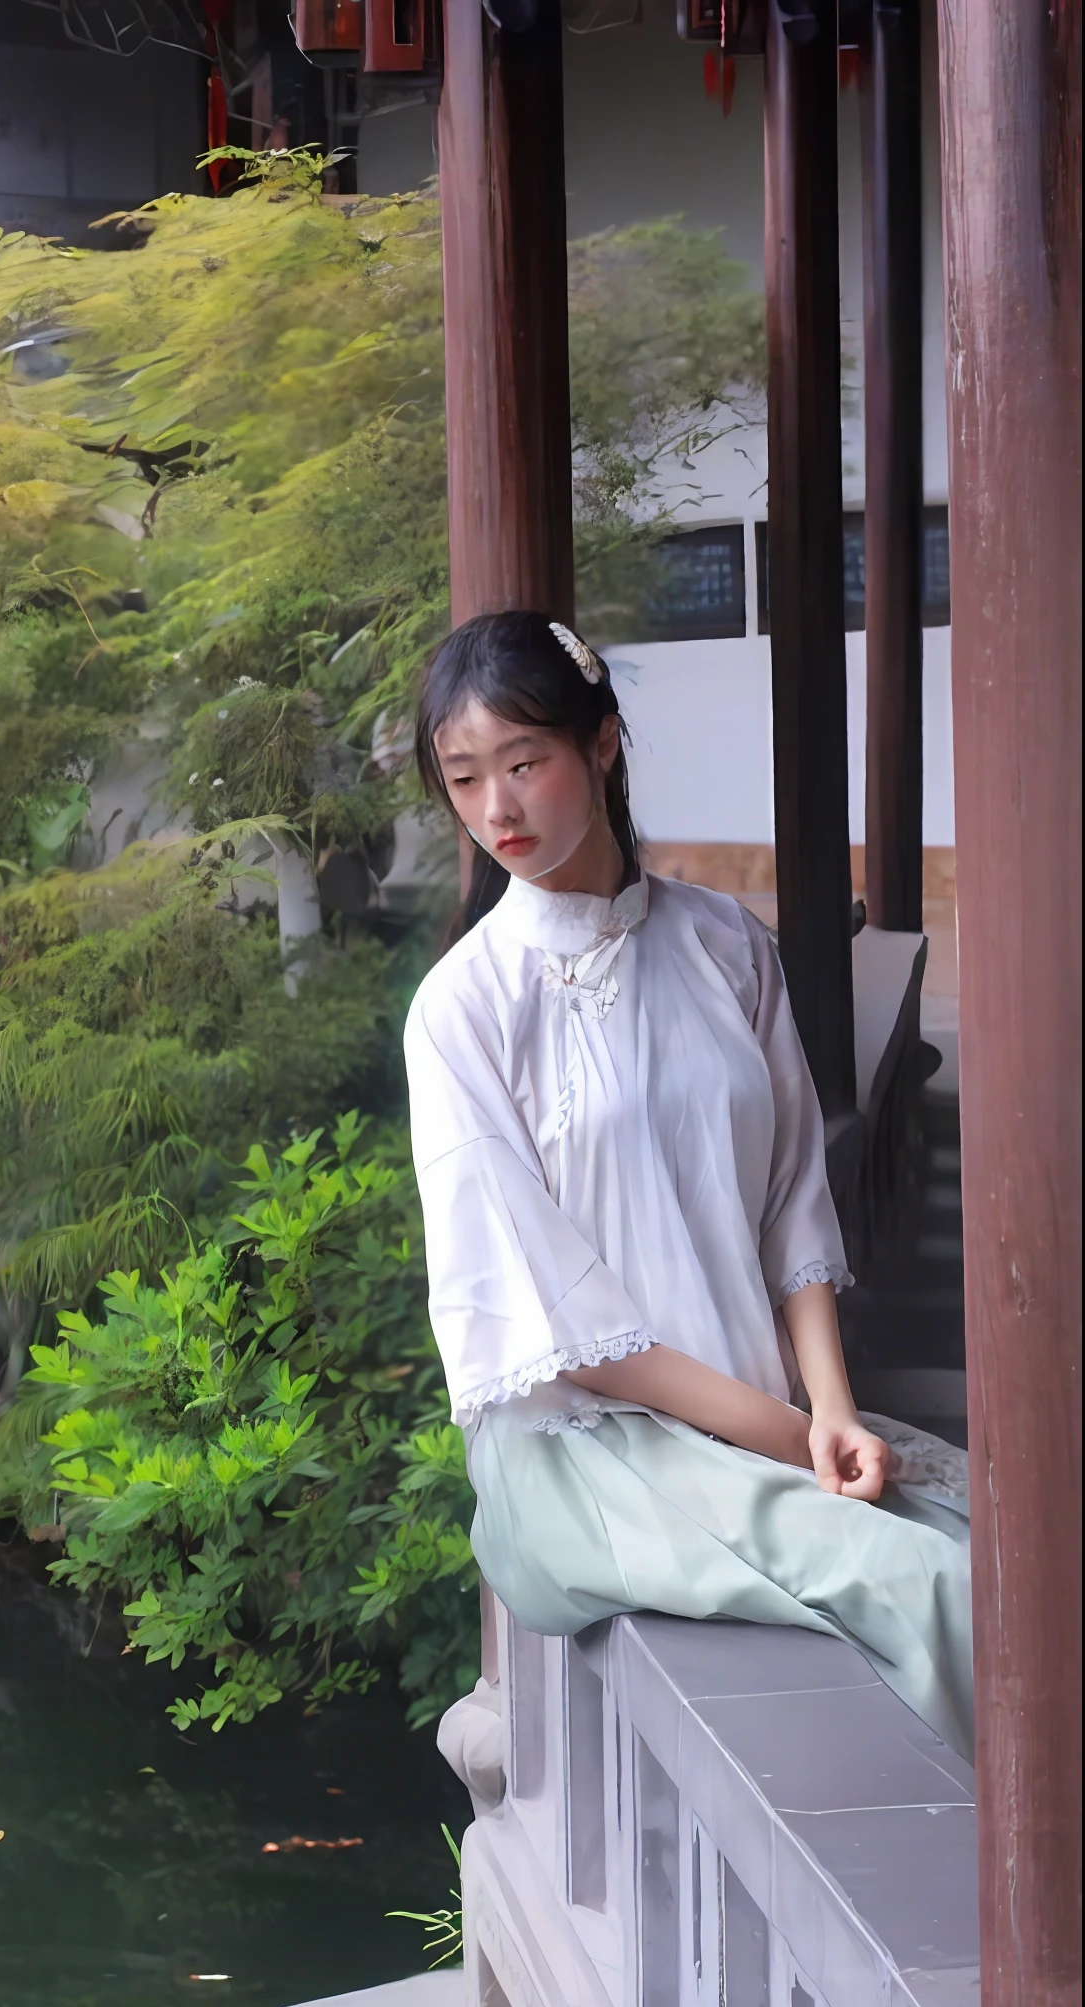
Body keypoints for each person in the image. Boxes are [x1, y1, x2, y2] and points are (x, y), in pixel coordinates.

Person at [404, 610, 974, 1760]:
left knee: (1005, 1547)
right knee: (933, 1584)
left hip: (761, 1411)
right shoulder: (465, 1008)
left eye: (525, 763)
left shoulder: (725, 942)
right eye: (464, 779)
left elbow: (791, 1207)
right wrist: (788, 1432)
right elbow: (559, 1326)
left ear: (602, 746)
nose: (497, 810)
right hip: (589, 1445)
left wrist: (831, 1406)